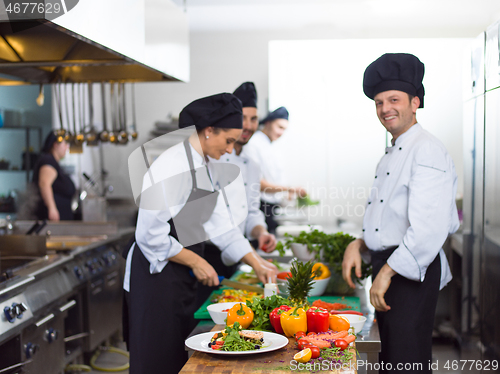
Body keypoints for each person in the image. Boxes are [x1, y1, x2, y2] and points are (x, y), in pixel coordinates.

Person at [123, 93, 278, 374]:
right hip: (155, 278)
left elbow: (220, 224)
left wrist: (256, 263)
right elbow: (148, 234)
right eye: (229, 140)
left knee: (178, 358)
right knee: (157, 361)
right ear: (208, 131)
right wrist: (195, 261)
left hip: (178, 277)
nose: (231, 149)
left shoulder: (204, 165)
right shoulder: (172, 164)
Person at [342, 53, 459, 373]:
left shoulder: (427, 150)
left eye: (393, 99)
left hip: (410, 271)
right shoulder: (393, 150)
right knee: (392, 358)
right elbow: (387, 218)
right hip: (392, 266)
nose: (385, 109)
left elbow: (428, 229)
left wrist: (386, 273)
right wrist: (359, 244)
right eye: (378, 102)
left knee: (406, 361)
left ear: (415, 102)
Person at [196, 82, 278, 307]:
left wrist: (260, 232)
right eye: (243, 118)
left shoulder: (251, 165)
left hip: (236, 254)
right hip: (204, 256)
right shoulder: (210, 159)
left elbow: (251, 211)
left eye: (254, 119)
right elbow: (218, 222)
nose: (248, 126)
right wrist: (256, 260)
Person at [242, 106, 307, 234]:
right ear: (268, 123)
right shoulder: (254, 143)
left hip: (271, 207)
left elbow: (274, 177)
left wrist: (287, 193)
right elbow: (257, 183)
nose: (281, 132)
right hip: (260, 207)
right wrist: (289, 188)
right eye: (280, 127)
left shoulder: (272, 145)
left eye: (284, 129)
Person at [31, 131, 76, 221]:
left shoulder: (53, 162)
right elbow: (44, 184)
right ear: (55, 145)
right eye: (65, 144)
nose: (67, 147)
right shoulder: (48, 160)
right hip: (49, 219)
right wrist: (52, 208)